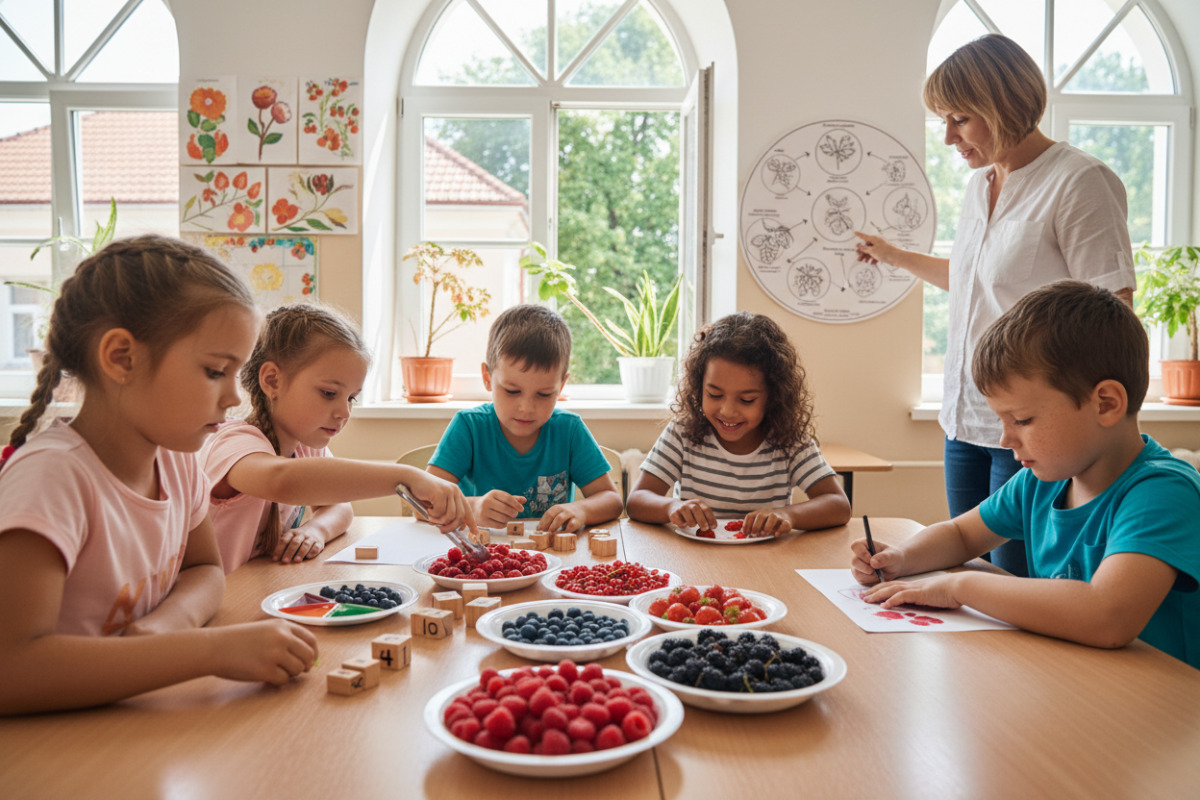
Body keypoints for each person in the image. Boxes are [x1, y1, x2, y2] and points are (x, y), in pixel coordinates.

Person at [853, 34, 1136, 577]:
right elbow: (974, 283)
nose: (947, 137)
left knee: (1022, 588)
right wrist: (893, 256)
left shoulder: (1079, 182)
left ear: (1002, 105)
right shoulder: (979, 184)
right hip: (963, 422)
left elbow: (1113, 317)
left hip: (1035, 427)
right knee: (971, 582)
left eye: (959, 118)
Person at [0, 235, 319, 714]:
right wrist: (208, 650)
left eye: (237, 374)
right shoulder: (52, 478)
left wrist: (164, 626)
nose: (234, 397)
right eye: (215, 371)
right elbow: (12, 670)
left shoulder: (177, 460)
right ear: (122, 358)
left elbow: (204, 570)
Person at [853, 282, 1200, 668]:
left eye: (1022, 419)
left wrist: (959, 586)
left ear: (1106, 404)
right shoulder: (1042, 481)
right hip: (1073, 680)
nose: (1005, 438)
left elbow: (1109, 616)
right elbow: (963, 534)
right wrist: (900, 558)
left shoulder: (1162, 492)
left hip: (1163, 707)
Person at [201, 303, 476, 572]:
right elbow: (281, 481)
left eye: (351, 398)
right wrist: (406, 477)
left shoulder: (305, 447)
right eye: (329, 393)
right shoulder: (231, 441)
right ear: (272, 381)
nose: (344, 411)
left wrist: (316, 529)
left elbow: (340, 507)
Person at [626, 312, 851, 537]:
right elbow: (637, 500)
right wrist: (671, 507)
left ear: (774, 396)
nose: (728, 411)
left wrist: (788, 515)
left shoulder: (789, 440)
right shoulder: (683, 432)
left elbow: (838, 505)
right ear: (699, 387)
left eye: (747, 400)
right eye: (714, 395)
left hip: (767, 559)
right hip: (695, 558)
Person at [427, 304, 623, 531]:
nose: (526, 408)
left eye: (544, 394)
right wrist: (475, 507)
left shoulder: (569, 430)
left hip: (552, 556)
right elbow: (424, 503)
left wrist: (581, 510)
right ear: (487, 377)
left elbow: (611, 499)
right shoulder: (469, 427)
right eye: (512, 391)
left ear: (561, 386)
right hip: (482, 557)